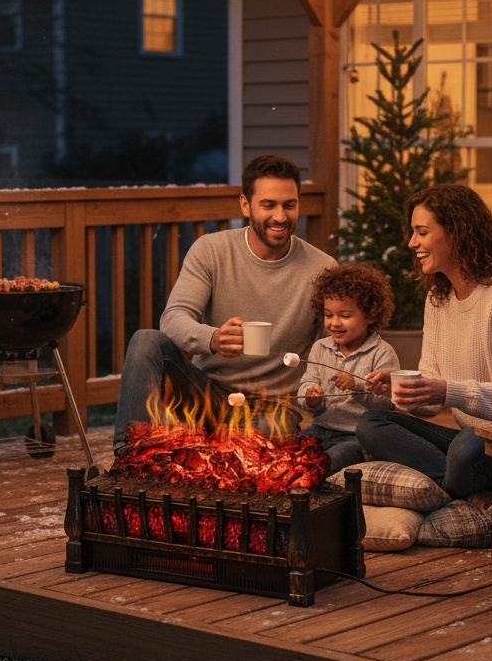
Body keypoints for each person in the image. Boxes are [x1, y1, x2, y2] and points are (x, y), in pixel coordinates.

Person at [111, 154, 336, 457]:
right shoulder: (211, 250)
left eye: (289, 205)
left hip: (273, 406)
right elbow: (174, 317)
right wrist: (212, 338)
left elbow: (332, 348)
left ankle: (210, 450)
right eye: (268, 205)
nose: (280, 216)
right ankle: (129, 456)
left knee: (267, 435)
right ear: (246, 205)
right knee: (146, 340)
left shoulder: (323, 269)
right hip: (208, 394)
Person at [357, 183, 492, 501]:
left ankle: (448, 485)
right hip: (475, 441)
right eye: (413, 233)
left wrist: (446, 390)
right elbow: (431, 403)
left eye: (422, 232)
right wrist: (404, 390)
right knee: (372, 423)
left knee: (467, 447)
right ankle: (454, 487)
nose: (412, 243)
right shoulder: (437, 299)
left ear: (457, 233)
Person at [297, 263, 399, 475]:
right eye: (328, 315)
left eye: (344, 315)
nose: (334, 323)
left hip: (357, 437)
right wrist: (309, 398)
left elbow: (387, 405)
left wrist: (357, 384)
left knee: (330, 461)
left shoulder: (382, 353)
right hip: (320, 429)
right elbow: (307, 383)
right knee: (289, 450)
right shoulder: (320, 348)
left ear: (370, 315)